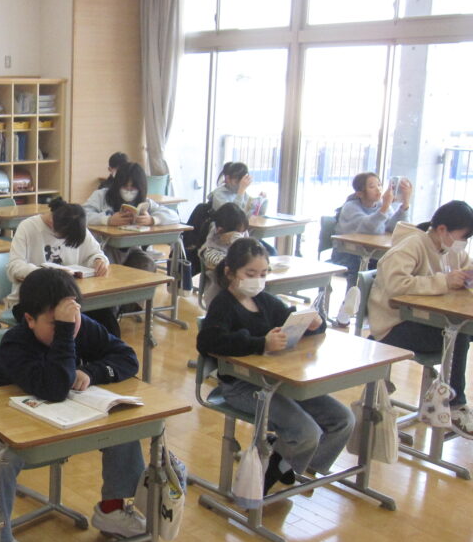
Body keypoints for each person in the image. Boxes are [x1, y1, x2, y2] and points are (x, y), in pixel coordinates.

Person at [0, 268, 146, 542]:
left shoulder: (79, 325)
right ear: (29, 319)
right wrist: (67, 332)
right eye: (57, 323)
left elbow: (127, 358)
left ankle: (111, 509)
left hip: (53, 413)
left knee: (123, 425)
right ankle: (0, 541)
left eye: (73, 318)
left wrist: (91, 371)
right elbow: (55, 388)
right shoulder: (16, 343)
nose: (69, 327)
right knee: (1, 456)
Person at [197, 237, 355, 493]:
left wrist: (315, 325)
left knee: (343, 420)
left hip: (278, 380)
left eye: (263, 274)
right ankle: (268, 479)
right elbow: (208, 341)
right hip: (241, 385)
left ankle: (289, 465)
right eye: (250, 274)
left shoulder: (265, 301)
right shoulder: (223, 304)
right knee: (306, 432)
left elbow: (293, 321)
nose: (257, 280)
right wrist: (260, 343)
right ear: (230, 272)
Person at [367, 200, 473, 438]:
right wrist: (444, 281)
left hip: (427, 322)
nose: (464, 242)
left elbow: (468, 268)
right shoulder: (411, 246)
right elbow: (396, 285)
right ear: (443, 229)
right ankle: (453, 405)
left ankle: (448, 398)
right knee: (459, 333)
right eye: (463, 236)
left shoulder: (452, 251)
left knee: (465, 329)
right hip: (394, 326)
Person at [6, 197, 117, 336]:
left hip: (70, 297)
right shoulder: (28, 227)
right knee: (63, 323)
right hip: (34, 300)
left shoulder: (74, 225)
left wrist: (99, 260)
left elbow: (95, 253)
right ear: (53, 223)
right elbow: (14, 267)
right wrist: (45, 275)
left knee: (106, 319)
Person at [329, 172, 412, 325]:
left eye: (379, 185)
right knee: (359, 271)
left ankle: (371, 311)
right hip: (346, 252)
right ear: (360, 193)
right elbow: (371, 229)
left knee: (385, 268)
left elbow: (395, 227)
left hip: (369, 252)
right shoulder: (351, 207)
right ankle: (346, 310)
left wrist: (405, 203)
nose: (378, 189)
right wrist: (385, 206)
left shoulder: (380, 205)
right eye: (372, 186)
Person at [83, 160, 179, 271]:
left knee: (147, 265)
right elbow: (83, 215)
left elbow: (174, 216)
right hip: (104, 248)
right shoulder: (101, 196)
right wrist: (108, 220)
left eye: (133, 188)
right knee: (107, 268)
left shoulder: (144, 202)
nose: (128, 191)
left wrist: (152, 220)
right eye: (124, 186)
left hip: (131, 250)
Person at [198, 202, 249, 307]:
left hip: (242, 296)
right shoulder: (209, 251)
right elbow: (235, 264)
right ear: (220, 231)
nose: (242, 236)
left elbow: (254, 255)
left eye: (243, 233)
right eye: (237, 234)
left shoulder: (241, 239)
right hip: (219, 301)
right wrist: (237, 241)